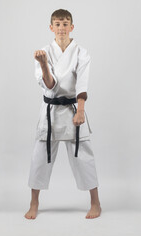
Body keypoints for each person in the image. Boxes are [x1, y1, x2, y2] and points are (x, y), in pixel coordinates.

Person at [24, 9, 101, 220]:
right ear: (51, 28)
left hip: (74, 109)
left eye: (65, 24)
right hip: (50, 112)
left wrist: (82, 111)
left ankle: (95, 202)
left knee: (84, 157)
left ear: (72, 27)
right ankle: (34, 202)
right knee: (39, 157)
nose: (61, 28)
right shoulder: (43, 51)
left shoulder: (81, 53)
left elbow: (82, 82)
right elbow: (50, 84)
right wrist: (43, 64)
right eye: (57, 24)